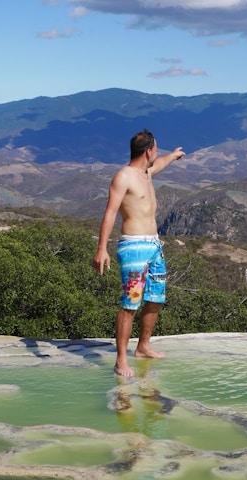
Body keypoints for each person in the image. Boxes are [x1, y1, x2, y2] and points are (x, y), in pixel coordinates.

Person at [93, 129, 185, 377]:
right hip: (133, 247)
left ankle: (143, 346)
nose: (157, 154)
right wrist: (102, 248)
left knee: (155, 298)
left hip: (154, 246)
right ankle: (121, 359)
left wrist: (174, 156)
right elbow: (110, 213)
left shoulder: (146, 172)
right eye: (156, 149)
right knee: (130, 303)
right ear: (148, 151)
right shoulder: (124, 177)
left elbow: (161, 163)